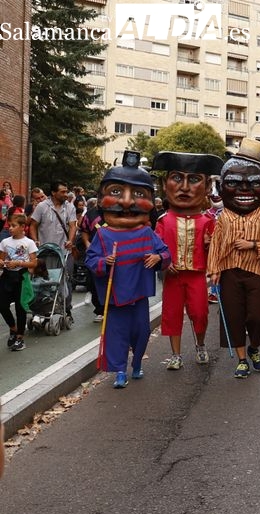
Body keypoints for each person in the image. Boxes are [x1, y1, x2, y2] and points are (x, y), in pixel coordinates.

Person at [85, 152, 171, 389]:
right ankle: (120, 370)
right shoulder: (102, 235)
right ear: (101, 198)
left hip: (139, 294)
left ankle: (137, 365)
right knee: (117, 335)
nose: (125, 202)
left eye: (138, 194)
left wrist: (157, 257)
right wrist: (105, 262)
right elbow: (92, 261)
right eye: (115, 192)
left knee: (141, 332)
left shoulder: (146, 234)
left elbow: (166, 255)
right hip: (115, 297)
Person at [207, 139, 260, 379]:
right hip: (229, 272)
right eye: (235, 184)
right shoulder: (224, 216)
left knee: (257, 316)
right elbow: (216, 245)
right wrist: (214, 270)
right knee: (234, 315)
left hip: (257, 271)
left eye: (254, 184)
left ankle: (254, 347)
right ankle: (241, 360)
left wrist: (252, 245)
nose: (245, 189)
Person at [152, 150, 223, 370]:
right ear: (165, 185)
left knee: (200, 312)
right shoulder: (164, 220)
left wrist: (211, 249)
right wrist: (164, 262)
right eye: (176, 178)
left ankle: (200, 345)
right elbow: (157, 246)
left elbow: (216, 251)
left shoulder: (208, 221)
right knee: (172, 314)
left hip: (197, 276)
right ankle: (176, 354)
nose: (184, 187)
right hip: (172, 277)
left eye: (193, 180)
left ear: (207, 187)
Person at [29, 181, 77, 319]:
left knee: (66, 279)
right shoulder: (42, 207)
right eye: (62, 192)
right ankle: (40, 308)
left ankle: (66, 309)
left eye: (66, 191)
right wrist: (35, 240)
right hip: (44, 251)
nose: (66, 194)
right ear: (53, 193)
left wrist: (70, 240)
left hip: (63, 251)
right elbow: (33, 225)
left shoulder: (69, 207)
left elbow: (73, 226)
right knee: (42, 281)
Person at [0, 214, 38, 352]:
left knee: (20, 307)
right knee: (2, 305)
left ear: (23, 227)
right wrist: (2, 263)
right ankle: (13, 328)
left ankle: (20, 338)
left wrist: (18, 263)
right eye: (9, 225)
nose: (10, 228)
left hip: (21, 276)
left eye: (13, 226)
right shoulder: (5, 242)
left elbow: (33, 263)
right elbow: (1, 259)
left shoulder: (29, 243)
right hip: (7, 276)